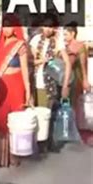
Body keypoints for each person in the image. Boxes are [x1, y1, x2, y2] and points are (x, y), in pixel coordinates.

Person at [0, 15, 31, 167]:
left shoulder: (20, 45)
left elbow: (25, 69)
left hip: (16, 84)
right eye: (4, 26)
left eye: (9, 25)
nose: (6, 29)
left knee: (15, 120)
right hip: (2, 85)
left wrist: (28, 91)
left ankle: (15, 154)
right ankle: (0, 156)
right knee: (1, 118)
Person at [29, 14, 72, 151]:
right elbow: (31, 61)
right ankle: (41, 143)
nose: (47, 29)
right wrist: (42, 61)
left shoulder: (58, 42)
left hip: (51, 84)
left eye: (50, 27)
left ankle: (48, 143)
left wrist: (65, 85)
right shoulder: (36, 40)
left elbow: (67, 64)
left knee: (50, 113)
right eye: (45, 26)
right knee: (39, 114)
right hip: (37, 82)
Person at [64, 25, 92, 145]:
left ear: (73, 34)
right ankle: (70, 130)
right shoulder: (66, 46)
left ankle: (76, 130)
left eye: (66, 34)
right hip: (67, 79)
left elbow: (83, 64)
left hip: (76, 79)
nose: (64, 37)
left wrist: (85, 79)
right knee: (69, 105)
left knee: (76, 106)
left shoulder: (80, 46)